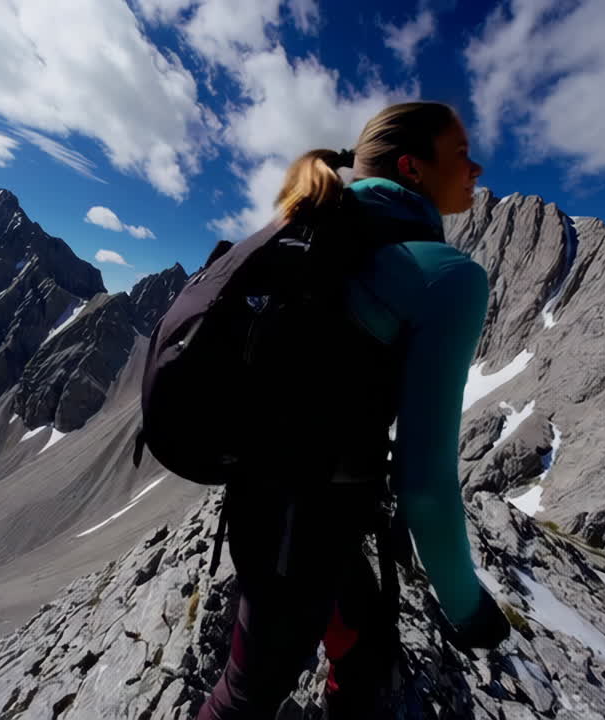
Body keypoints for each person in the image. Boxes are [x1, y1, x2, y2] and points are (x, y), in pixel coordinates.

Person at [196, 102, 510, 720]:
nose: (476, 167)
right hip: (300, 531)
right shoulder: (445, 277)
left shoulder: (314, 232)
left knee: (364, 645)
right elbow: (424, 487)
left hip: (271, 506)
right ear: (410, 169)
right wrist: (468, 608)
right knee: (246, 695)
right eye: (460, 153)